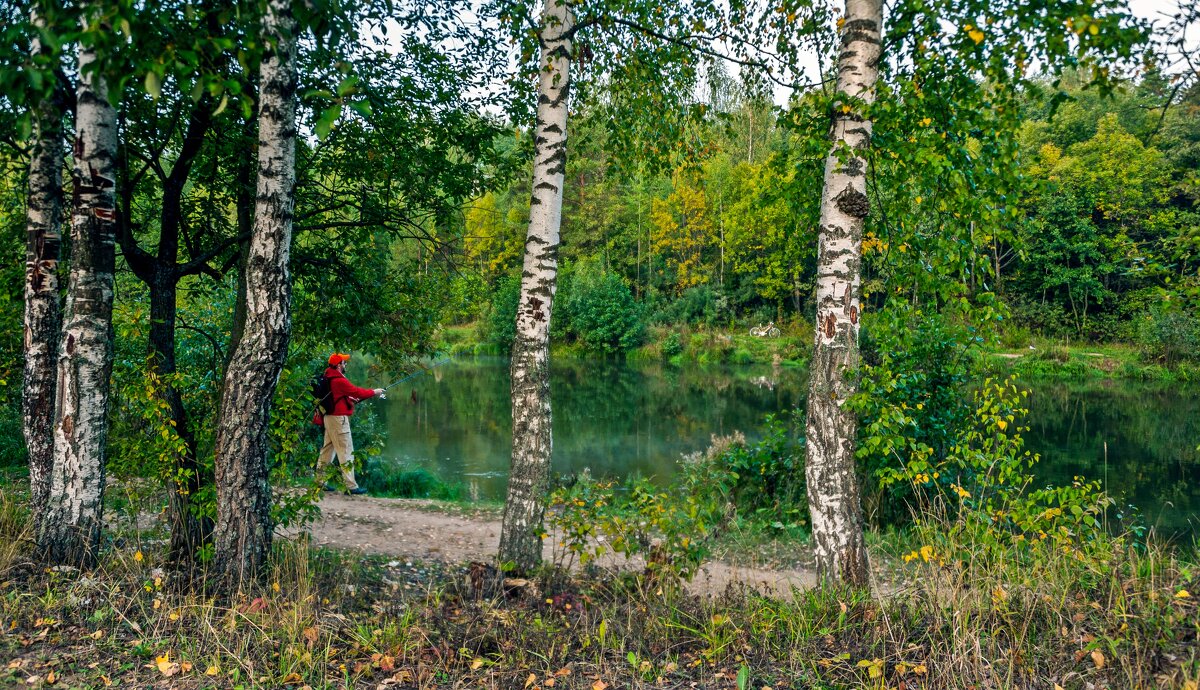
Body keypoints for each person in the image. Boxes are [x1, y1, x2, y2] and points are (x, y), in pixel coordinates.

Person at [313, 352, 386, 495]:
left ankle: (320, 482)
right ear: (339, 365)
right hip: (339, 420)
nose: (346, 364)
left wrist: (349, 400)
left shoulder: (328, 377)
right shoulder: (339, 380)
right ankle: (351, 486)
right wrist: (375, 391)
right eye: (344, 362)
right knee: (346, 450)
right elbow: (357, 392)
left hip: (329, 418)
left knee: (327, 450)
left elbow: (341, 395)